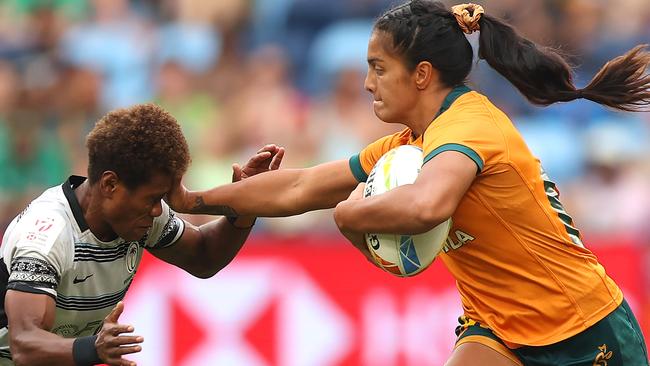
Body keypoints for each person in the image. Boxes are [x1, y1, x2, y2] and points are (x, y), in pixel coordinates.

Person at [167, 1, 650, 365]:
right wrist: (190, 198)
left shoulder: (469, 126)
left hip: (583, 326)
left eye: (378, 68)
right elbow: (298, 188)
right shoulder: (408, 142)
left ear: (421, 74)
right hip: (497, 326)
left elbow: (427, 206)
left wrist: (349, 214)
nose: (366, 83)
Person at [0, 103, 284, 366]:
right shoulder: (46, 235)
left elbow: (204, 256)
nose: (158, 211)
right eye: (153, 198)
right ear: (110, 184)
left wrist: (243, 206)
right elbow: (24, 343)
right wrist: (93, 349)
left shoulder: (136, 216)